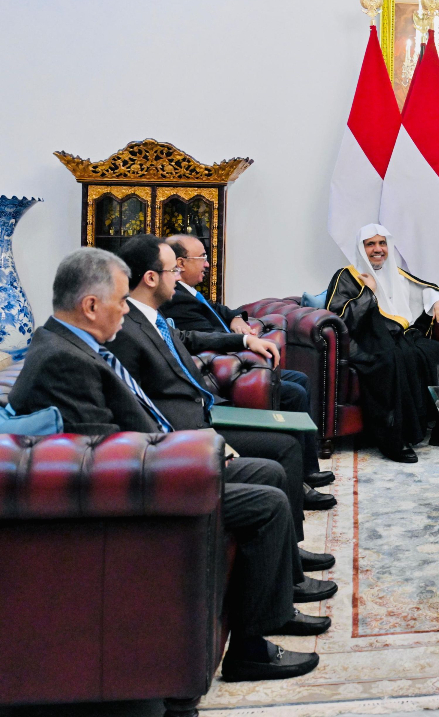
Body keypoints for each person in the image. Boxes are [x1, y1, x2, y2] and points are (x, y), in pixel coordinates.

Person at [7, 247, 328, 681]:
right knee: (267, 503)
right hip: (152, 486)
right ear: (91, 305)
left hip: (162, 458)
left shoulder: (71, 343)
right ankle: (249, 652)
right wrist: (190, 455)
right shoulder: (64, 361)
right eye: (120, 300)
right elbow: (103, 457)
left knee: (268, 471)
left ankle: (276, 605)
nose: (126, 310)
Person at [105, 235, 337, 571]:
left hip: (205, 414)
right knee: (283, 448)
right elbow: (136, 407)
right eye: (172, 271)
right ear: (151, 278)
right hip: (188, 434)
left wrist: (244, 339)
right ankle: (289, 565)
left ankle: (289, 555)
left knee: (286, 438)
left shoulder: (150, 317)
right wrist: (203, 446)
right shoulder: (125, 329)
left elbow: (187, 337)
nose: (178, 277)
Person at [161, 233, 334, 492]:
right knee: (293, 391)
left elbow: (218, 310)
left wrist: (235, 318)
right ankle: (301, 478)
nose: (207, 264)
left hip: (232, 363)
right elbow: (204, 336)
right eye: (202, 258)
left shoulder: (189, 292)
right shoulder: (175, 298)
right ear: (181, 264)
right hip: (219, 376)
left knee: (300, 379)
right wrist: (243, 340)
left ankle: (308, 468)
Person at [326, 224, 439, 463]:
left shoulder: (396, 273)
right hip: (365, 340)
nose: (378, 249)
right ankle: (395, 439)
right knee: (392, 359)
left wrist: (438, 300)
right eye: (370, 244)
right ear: (361, 248)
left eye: (382, 243)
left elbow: (424, 289)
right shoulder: (346, 276)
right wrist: (369, 292)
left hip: (399, 336)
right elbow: (341, 318)